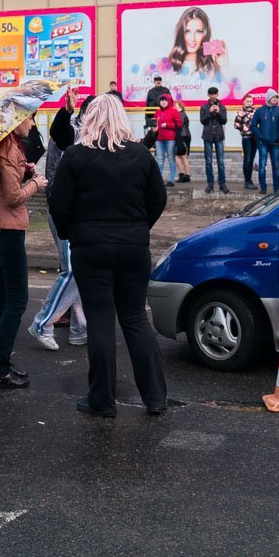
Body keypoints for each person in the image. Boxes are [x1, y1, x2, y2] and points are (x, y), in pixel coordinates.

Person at [49, 95, 169, 417]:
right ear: (121, 117)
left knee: (100, 319)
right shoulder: (140, 154)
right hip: (133, 248)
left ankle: (102, 401)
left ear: (89, 118)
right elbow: (158, 199)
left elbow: (58, 204)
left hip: (90, 247)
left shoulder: (75, 155)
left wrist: (72, 233)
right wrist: (139, 227)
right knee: (135, 318)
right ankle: (155, 397)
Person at [0, 115, 46, 389]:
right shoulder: (7, 147)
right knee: (16, 300)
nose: (32, 124)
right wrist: (35, 183)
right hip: (6, 230)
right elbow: (13, 196)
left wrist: (24, 172)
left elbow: (1, 184)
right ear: (15, 120)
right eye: (29, 118)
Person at [27, 91, 88, 351]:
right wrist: (66, 111)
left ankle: (79, 329)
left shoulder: (93, 137)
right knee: (73, 270)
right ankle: (42, 323)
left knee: (80, 269)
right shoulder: (75, 131)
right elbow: (59, 132)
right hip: (65, 210)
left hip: (81, 213)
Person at [167, 6, 225, 77]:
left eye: (198, 32)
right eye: (187, 31)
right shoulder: (169, 64)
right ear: (181, 33)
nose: (192, 39)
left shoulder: (210, 66)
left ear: (205, 34)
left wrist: (221, 66)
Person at [251, 90, 279, 193]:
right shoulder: (260, 111)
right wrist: (260, 136)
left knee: (276, 166)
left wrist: (278, 136)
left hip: (275, 143)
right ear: (268, 98)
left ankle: (276, 188)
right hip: (263, 143)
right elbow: (253, 125)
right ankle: (263, 188)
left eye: (276, 97)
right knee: (262, 166)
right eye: (273, 97)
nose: (275, 99)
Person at [199, 86, 229, 194]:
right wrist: (210, 112)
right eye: (211, 94)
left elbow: (224, 121)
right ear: (208, 95)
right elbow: (203, 121)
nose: (213, 96)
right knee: (208, 162)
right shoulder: (204, 107)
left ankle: (222, 184)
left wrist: (219, 112)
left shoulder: (222, 107)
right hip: (207, 136)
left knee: (220, 162)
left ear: (217, 94)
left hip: (219, 136)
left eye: (215, 94)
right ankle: (210, 184)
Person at [153, 93, 181, 187]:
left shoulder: (174, 111)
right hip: (159, 139)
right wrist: (153, 127)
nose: (163, 102)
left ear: (169, 101)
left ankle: (171, 180)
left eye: (165, 100)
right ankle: (158, 181)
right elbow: (155, 124)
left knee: (171, 159)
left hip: (170, 139)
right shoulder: (157, 112)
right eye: (162, 100)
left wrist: (167, 125)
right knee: (159, 160)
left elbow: (179, 124)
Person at [234, 93, 258, 190]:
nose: (249, 103)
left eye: (250, 101)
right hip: (246, 137)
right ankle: (247, 181)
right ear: (244, 102)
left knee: (252, 159)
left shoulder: (256, 111)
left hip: (255, 138)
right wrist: (243, 127)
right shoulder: (241, 112)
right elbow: (236, 124)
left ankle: (250, 180)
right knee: (247, 159)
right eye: (247, 101)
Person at [143, 74, 170, 142]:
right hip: (152, 115)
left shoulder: (166, 90)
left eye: (159, 80)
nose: (158, 81)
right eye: (156, 80)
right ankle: (154, 145)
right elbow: (147, 104)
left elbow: (170, 102)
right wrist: (147, 118)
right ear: (154, 82)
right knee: (153, 133)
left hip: (164, 115)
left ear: (161, 81)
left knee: (163, 131)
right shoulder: (150, 91)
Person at [174, 99, 192, 183]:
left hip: (181, 136)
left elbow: (179, 125)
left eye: (175, 105)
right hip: (186, 135)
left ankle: (182, 175)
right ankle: (187, 175)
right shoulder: (183, 113)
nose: (174, 106)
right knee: (184, 156)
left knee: (178, 156)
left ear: (179, 106)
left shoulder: (180, 114)